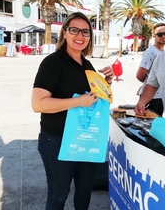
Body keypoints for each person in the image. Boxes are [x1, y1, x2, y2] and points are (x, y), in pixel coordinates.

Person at [31, 12, 114, 210]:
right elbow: (38, 104)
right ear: (65, 33)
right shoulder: (53, 62)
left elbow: (93, 100)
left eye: (85, 32)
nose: (80, 35)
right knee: (58, 195)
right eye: (74, 30)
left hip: (84, 138)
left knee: (85, 191)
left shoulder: (87, 65)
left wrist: (105, 85)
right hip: (57, 140)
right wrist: (77, 102)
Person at [136, 22, 165, 116]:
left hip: (161, 97)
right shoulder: (151, 53)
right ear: (154, 36)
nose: (163, 36)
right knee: (147, 124)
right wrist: (150, 84)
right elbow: (140, 75)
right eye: (160, 34)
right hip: (150, 97)